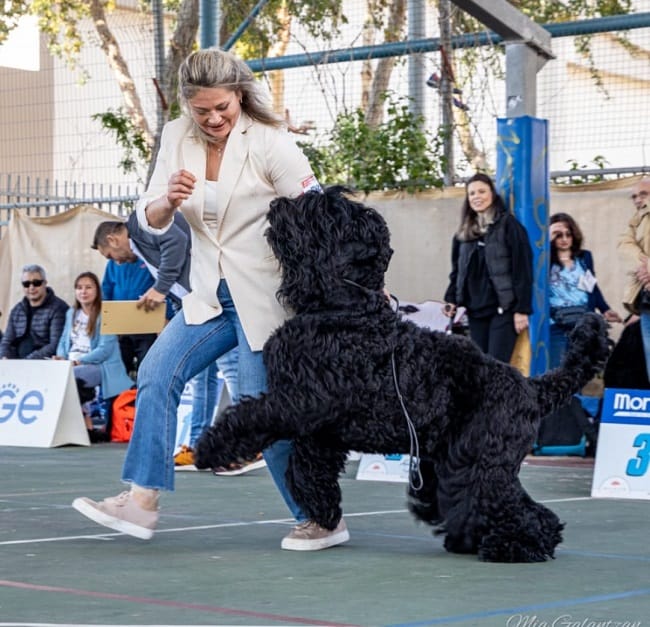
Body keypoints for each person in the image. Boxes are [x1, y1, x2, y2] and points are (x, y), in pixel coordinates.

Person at [72, 47, 348, 551]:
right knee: (157, 374)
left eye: (224, 107)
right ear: (187, 106)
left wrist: (351, 287)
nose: (215, 118)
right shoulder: (176, 136)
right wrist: (166, 202)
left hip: (267, 298)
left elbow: (321, 218)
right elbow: (145, 221)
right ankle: (141, 502)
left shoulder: (272, 144)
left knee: (264, 409)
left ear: (239, 95)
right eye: (203, 111)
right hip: (208, 294)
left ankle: (320, 517)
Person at [91, 217, 259, 473]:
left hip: (216, 300)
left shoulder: (142, 225)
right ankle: (196, 446)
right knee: (202, 379)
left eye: (111, 255)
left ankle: (251, 443)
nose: (116, 261)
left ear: (113, 239)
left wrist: (160, 288)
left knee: (233, 370)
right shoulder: (139, 245)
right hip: (194, 306)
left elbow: (178, 244)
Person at [442, 173, 533, 363]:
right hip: (475, 311)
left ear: (492, 194)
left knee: (497, 367)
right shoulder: (463, 233)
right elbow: (456, 272)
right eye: (472, 193)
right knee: (479, 367)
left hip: (503, 310)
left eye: (482, 191)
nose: (477, 196)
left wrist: (522, 309)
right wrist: (451, 299)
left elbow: (522, 269)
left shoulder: (508, 225)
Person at [54, 271, 133, 441]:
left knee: (73, 377)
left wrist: (78, 361)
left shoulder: (105, 314)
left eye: (88, 287)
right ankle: (77, 426)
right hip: (72, 362)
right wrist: (60, 357)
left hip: (99, 366)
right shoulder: (71, 313)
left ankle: (87, 425)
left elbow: (104, 350)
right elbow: (63, 340)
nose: (83, 292)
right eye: (79, 288)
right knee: (57, 373)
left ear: (97, 290)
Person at [548, 212, 621, 368]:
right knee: (557, 369)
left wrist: (605, 309)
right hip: (556, 321)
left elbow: (591, 286)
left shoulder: (584, 257)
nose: (564, 239)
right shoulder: (544, 259)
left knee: (579, 369)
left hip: (582, 321)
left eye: (568, 234)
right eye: (558, 235)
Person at [101, 254, 157, 377]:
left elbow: (161, 287)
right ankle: (121, 396)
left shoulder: (147, 257)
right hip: (121, 327)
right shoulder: (113, 262)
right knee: (120, 368)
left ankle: (144, 394)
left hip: (146, 325)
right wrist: (109, 320)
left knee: (147, 367)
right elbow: (106, 289)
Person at [0, 264, 68, 360]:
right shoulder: (17, 310)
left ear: (45, 283)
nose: (31, 287)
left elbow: (55, 344)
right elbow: (6, 341)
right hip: (15, 363)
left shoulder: (58, 308)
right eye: (26, 284)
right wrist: (4, 357)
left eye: (36, 283)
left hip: (44, 364)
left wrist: (27, 362)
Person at [618, 177, 650, 381]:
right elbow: (624, 245)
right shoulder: (636, 220)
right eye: (634, 196)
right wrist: (646, 267)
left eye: (643, 194)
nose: (638, 200)